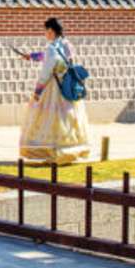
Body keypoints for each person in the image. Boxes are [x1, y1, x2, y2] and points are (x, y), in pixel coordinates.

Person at [18, 17, 91, 164]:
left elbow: (46, 71)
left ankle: (51, 151)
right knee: (66, 117)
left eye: (46, 31)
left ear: (51, 31)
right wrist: (32, 56)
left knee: (49, 118)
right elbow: (52, 58)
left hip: (53, 87)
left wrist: (38, 91)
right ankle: (71, 150)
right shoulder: (67, 45)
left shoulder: (52, 48)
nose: (45, 33)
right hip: (66, 85)